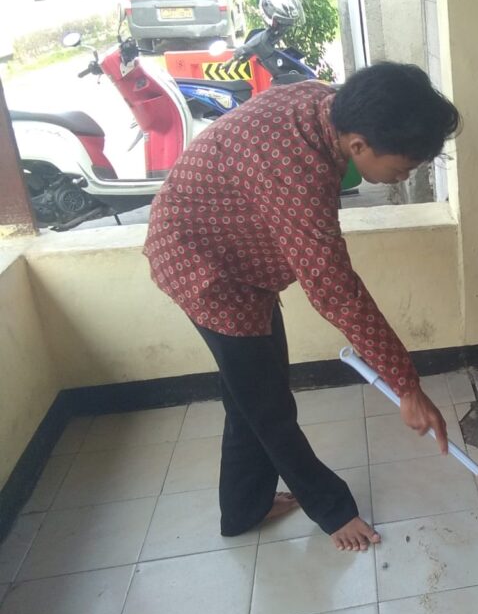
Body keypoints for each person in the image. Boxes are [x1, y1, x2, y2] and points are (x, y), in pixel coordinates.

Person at [143, 62, 459, 552]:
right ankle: (332, 510)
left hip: (234, 260)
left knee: (249, 395)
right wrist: (406, 386)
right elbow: (335, 290)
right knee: (268, 405)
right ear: (359, 145)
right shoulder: (298, 170)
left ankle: (243, 508)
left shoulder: (326, 104)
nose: (403, 177)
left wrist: (404, 382)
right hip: (205, 270)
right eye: (401, 169)